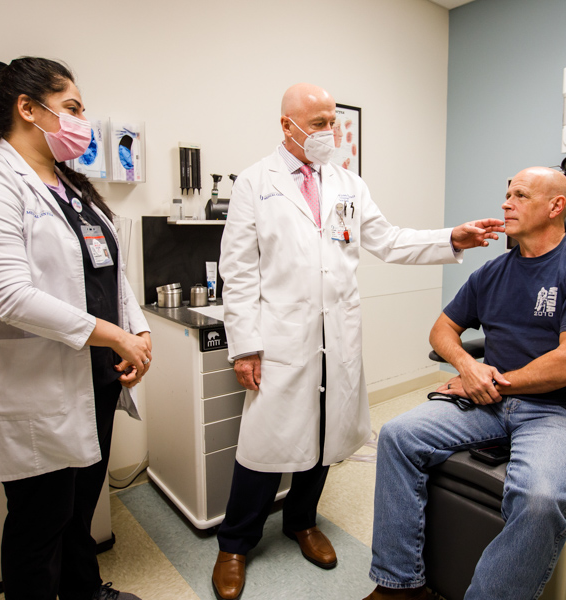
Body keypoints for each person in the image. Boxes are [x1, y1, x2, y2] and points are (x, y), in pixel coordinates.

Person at [213, 82, 505, 600]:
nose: (330, 131)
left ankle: (302, 521)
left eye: (333, 121)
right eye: (319, 122)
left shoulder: (348, 184)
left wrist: (450, 238)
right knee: (263, 443)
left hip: (337, 334)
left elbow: (387, 240)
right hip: (279, 335)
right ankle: (234, 543)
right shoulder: (255, 183)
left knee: (326, 435)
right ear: (288, 125)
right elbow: (238, 271)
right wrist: (245, 344)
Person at [365, 167, 566, 600]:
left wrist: (491, 383)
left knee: (540, 498)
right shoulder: (492, 272)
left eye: (520, 195)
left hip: (564, 411)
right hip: (490, 401)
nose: (506, 203)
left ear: (556, 206)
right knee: (397, 435)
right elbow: (441, 332)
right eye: (507, 194)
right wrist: (467, 368)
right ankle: (399, 587)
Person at [0, 57, 151, 600]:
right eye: (74, 108)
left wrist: (138, 330)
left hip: (94, 379)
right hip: (32, 386)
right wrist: (115, 336)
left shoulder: (74, 189)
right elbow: (10, 296)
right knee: (40, 525)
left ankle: (86, 591)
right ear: (28, 109)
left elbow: (112, 271)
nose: (84, 121)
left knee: (81, 506)